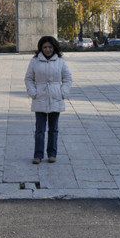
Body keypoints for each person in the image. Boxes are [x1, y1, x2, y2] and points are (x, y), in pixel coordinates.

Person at [24, 35, 72, 164]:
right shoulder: (34, 61)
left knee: (53, 129)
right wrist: (33, 92)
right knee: (39, 129)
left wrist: (62, 93)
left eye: (50, 47)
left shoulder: (60, 62)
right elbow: (28, 78)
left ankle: (52, 154)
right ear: (41, 48)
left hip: (55, 97)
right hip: (40, 97)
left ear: (54, 48)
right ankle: (38, 155)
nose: (47, 49)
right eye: (45, 47)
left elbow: (67, 78)